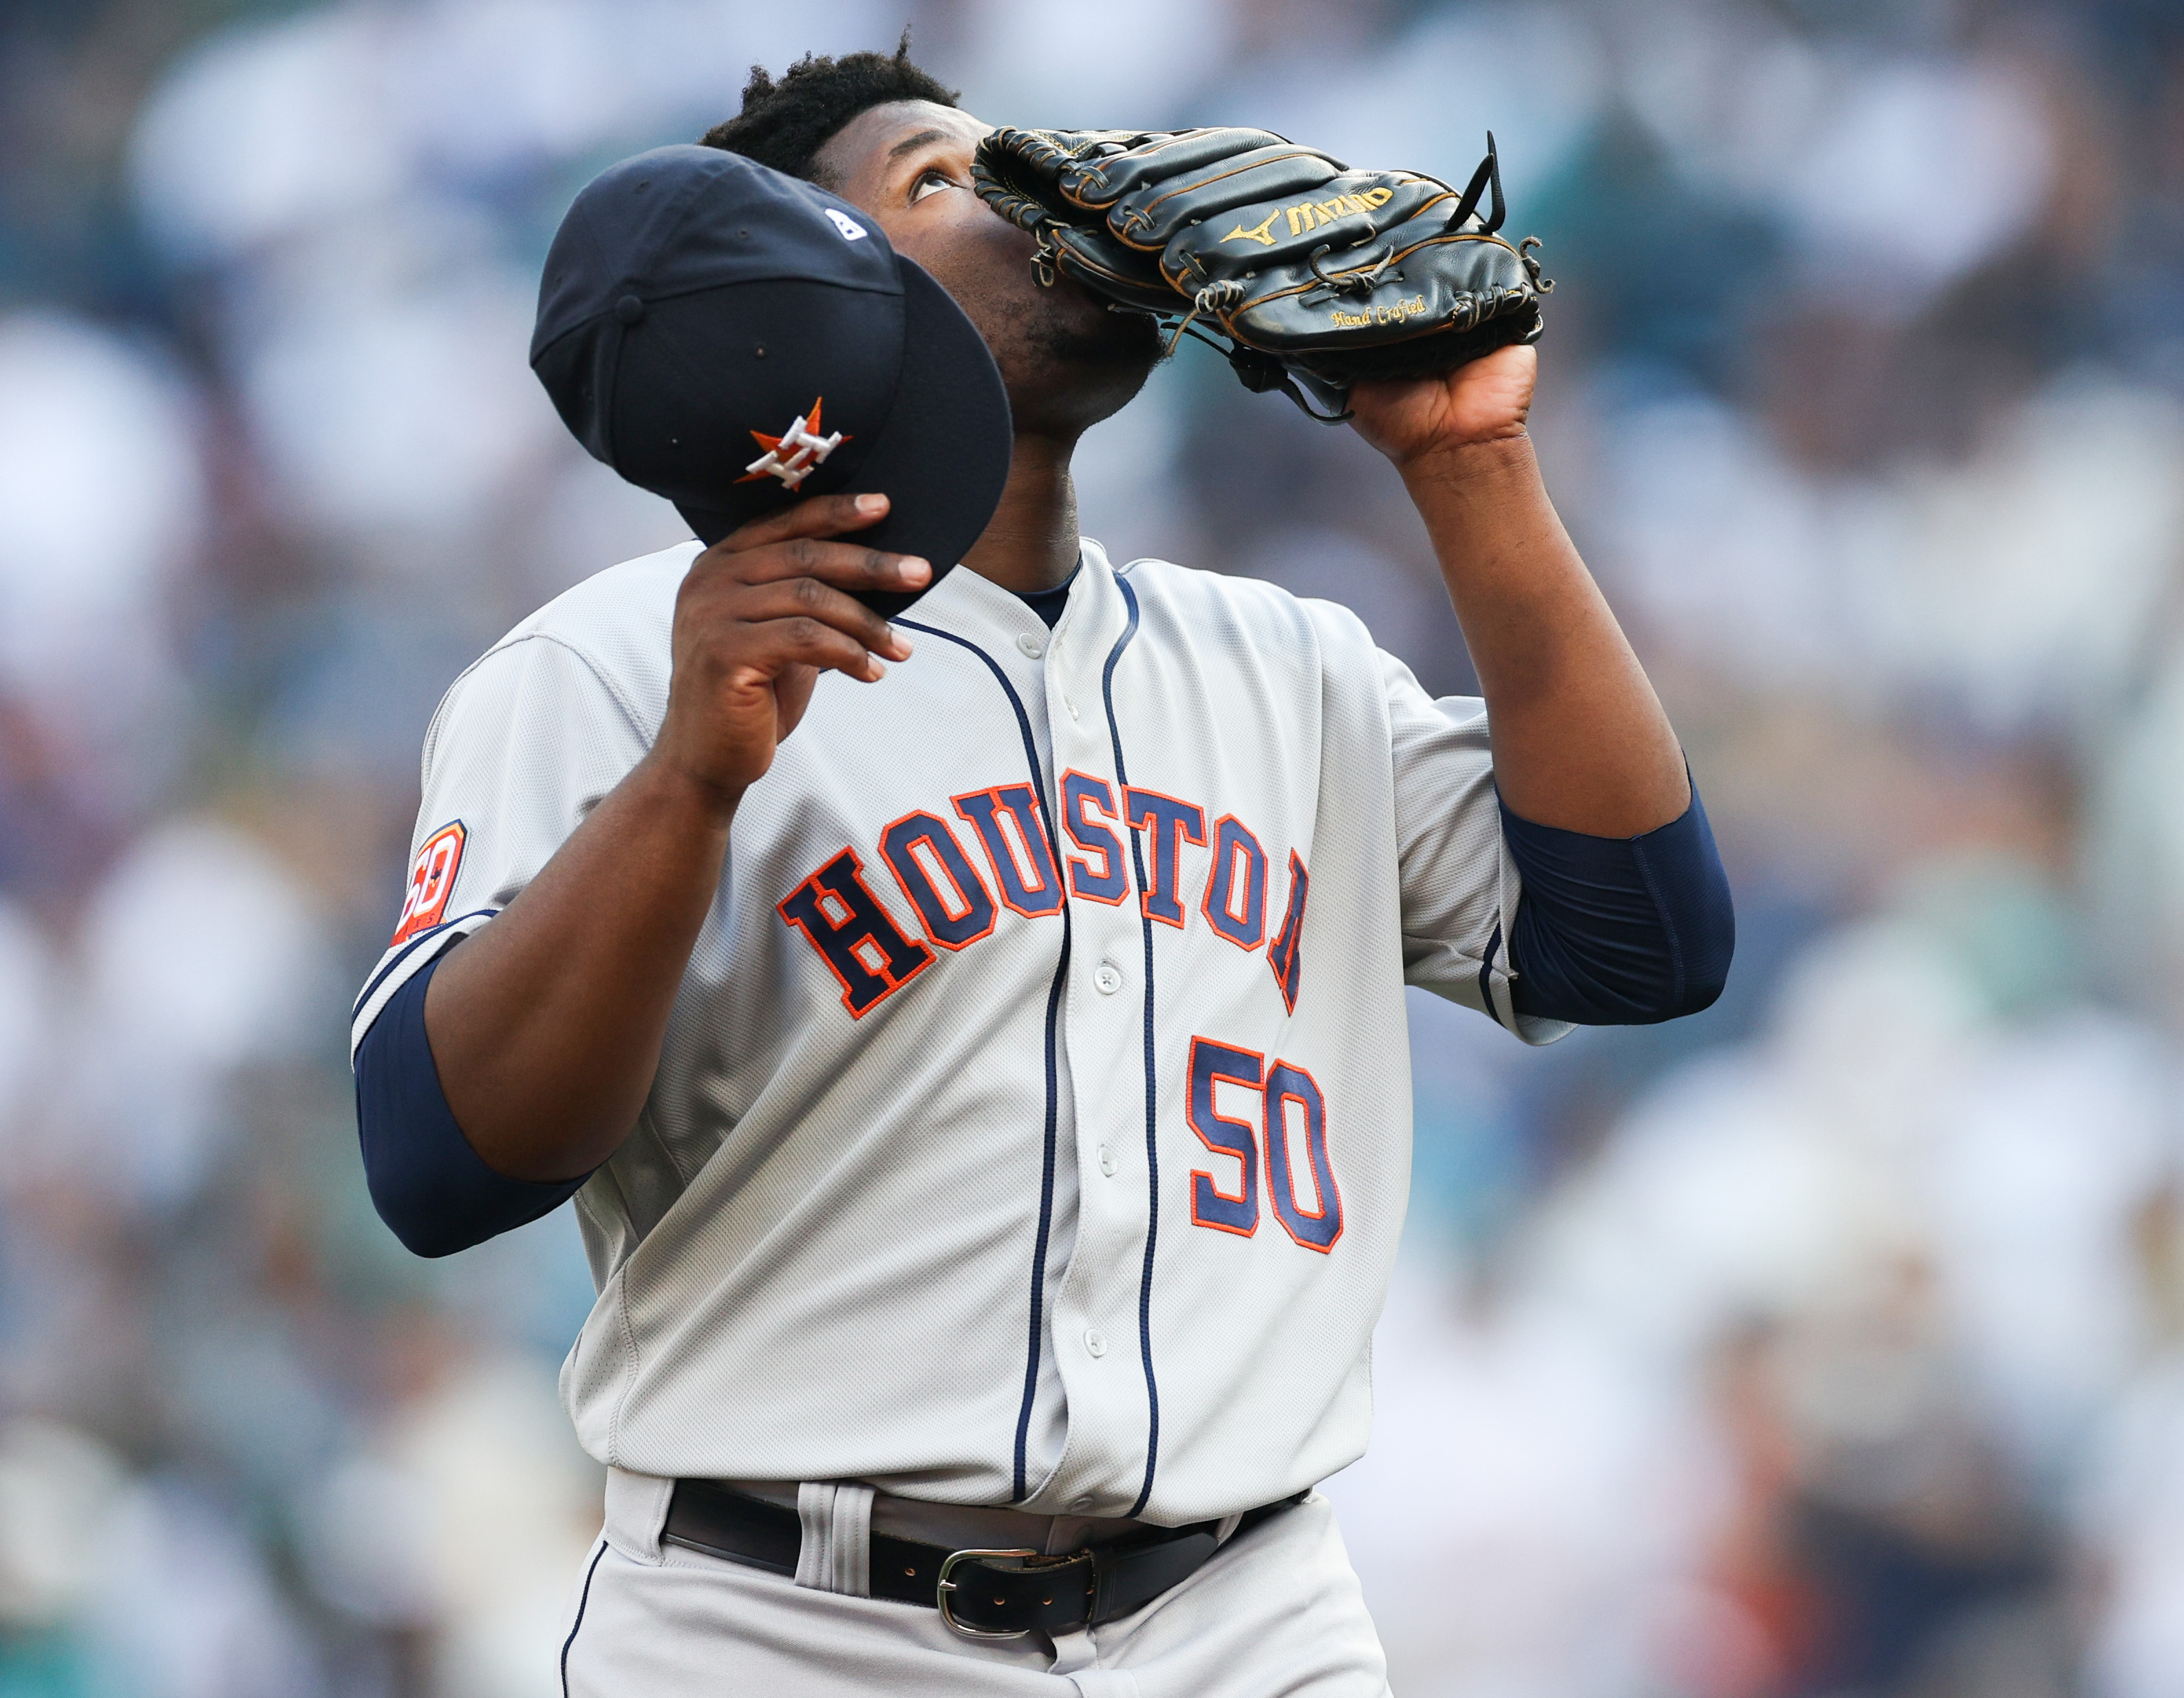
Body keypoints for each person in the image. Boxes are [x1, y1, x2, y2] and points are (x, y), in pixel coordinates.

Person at [347, 41, 1732, 1697]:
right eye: (940, 176)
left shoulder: (1283, 663)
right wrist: (687, 785)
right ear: (797, 294)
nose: (1045, 198)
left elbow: (1643, 941)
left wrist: (1465, 461)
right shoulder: (608, 668)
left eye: (1026, 153)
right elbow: (440, 1163)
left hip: (1246, 1617)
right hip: (783, 1624)